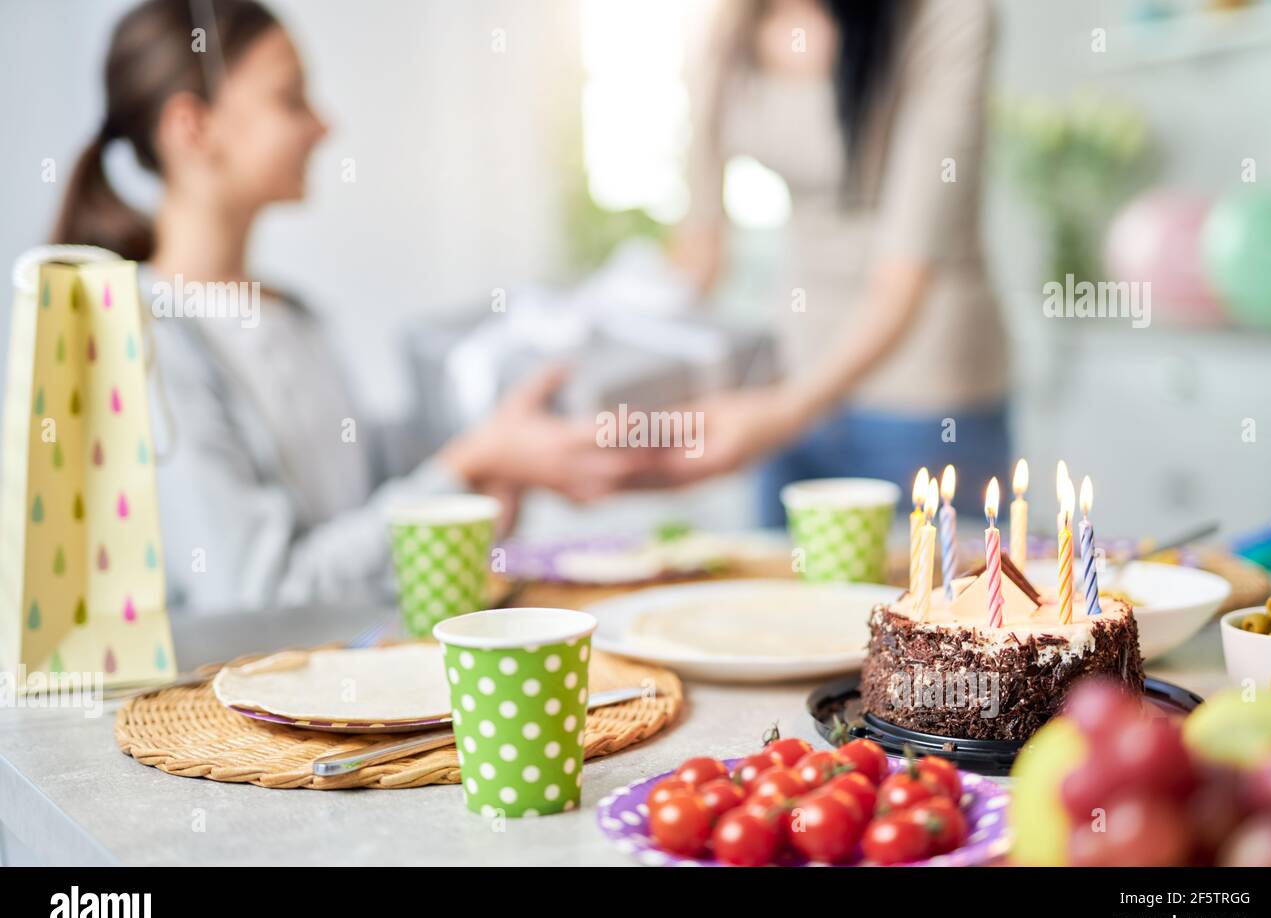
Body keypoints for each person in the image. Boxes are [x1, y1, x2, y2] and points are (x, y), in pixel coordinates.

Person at [50, 0, 650, 612]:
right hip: (237, 699)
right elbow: (257, 594)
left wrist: (495, 466)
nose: (324, 126)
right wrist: (467, 467)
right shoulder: (143, 339)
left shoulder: (294, 314)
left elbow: (365, 500)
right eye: (291, 99)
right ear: (193, 127)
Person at [668, 0, 1011, 519]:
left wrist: (784, 411)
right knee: (778, 593)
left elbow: (906, 267)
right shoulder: (730, 24)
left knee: (929, 594)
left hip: (922, 386)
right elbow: (700, 248)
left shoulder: (948, 14)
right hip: (790, 373)